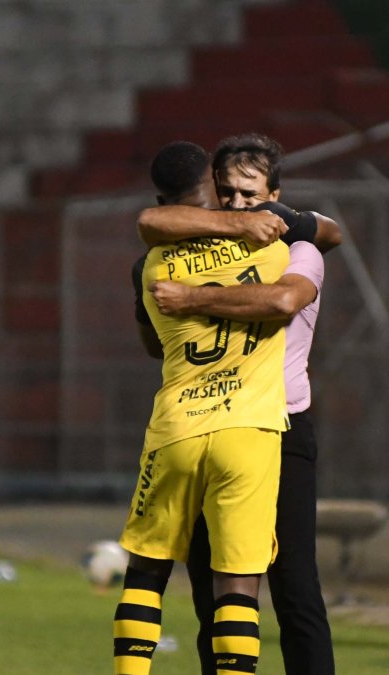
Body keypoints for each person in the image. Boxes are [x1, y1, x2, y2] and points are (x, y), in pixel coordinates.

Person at [136, 132, 338, 675]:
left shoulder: (297, 250)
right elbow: (151, 223)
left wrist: (192, 298)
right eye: (227, 193)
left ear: (277, 195)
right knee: (211, 589)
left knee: (294, 586)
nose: (239, 204)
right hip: (216, 424)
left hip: (284, 427)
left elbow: (281, 300)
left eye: (252, 195)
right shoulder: (207, 244)